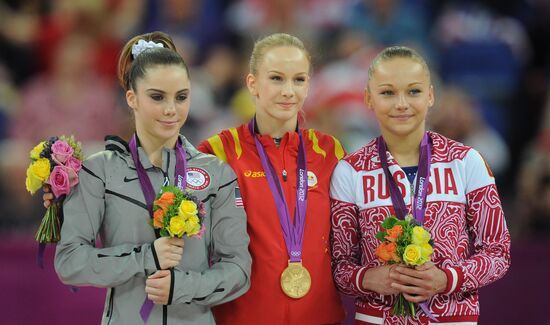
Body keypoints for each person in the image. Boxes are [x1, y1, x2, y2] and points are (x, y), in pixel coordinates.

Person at [50, 31, 251, 325]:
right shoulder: (100, 170)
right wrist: (144, 257)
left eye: (181, 97)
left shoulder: (215, 172)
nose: (171, 109)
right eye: (157, 97)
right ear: (132, 98)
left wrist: (184, 287)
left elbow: (239, 268)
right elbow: (69, 262)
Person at [329, 46, 511, 324]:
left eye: (413, 91)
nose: (401, 103)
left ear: (430, 95)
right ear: (368, 98)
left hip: (452, 318)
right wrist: (367, 278)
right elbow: (338, 265)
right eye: (387, 92)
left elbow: (498, 252)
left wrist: (446, 279)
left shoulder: (466, 161)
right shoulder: (350, 170)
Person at [197, 33, 346, 324]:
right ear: (252, 83)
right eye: (276, 78)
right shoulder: (218, 152)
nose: (289, 91)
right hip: (242, 317)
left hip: (318, 317)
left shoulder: (330, 151)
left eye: (299, 80)